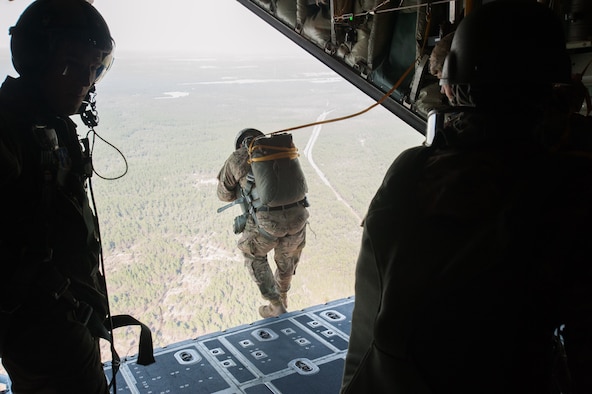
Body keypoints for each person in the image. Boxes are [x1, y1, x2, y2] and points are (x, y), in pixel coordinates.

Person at [341, 1, 592, 393]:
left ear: (453, 87)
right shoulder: (568, 183)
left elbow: (370, 313)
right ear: (552, 89)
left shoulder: (409, 169)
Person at [0, 0, 115, 392]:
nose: (86, 80)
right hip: (40, 329)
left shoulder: (51, 125)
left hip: (66, 314)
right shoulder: (9, 128)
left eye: (96, 67)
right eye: (72, 64)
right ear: (34, 58)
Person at [217, 128, 310, 318]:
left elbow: (223, 195)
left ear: (240, 144)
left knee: (251, 253)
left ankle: (275, 304)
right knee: (287, 260)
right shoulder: (281, 152)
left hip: (267, 225)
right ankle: (283, 296)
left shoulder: (237, 158)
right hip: (299, 219)